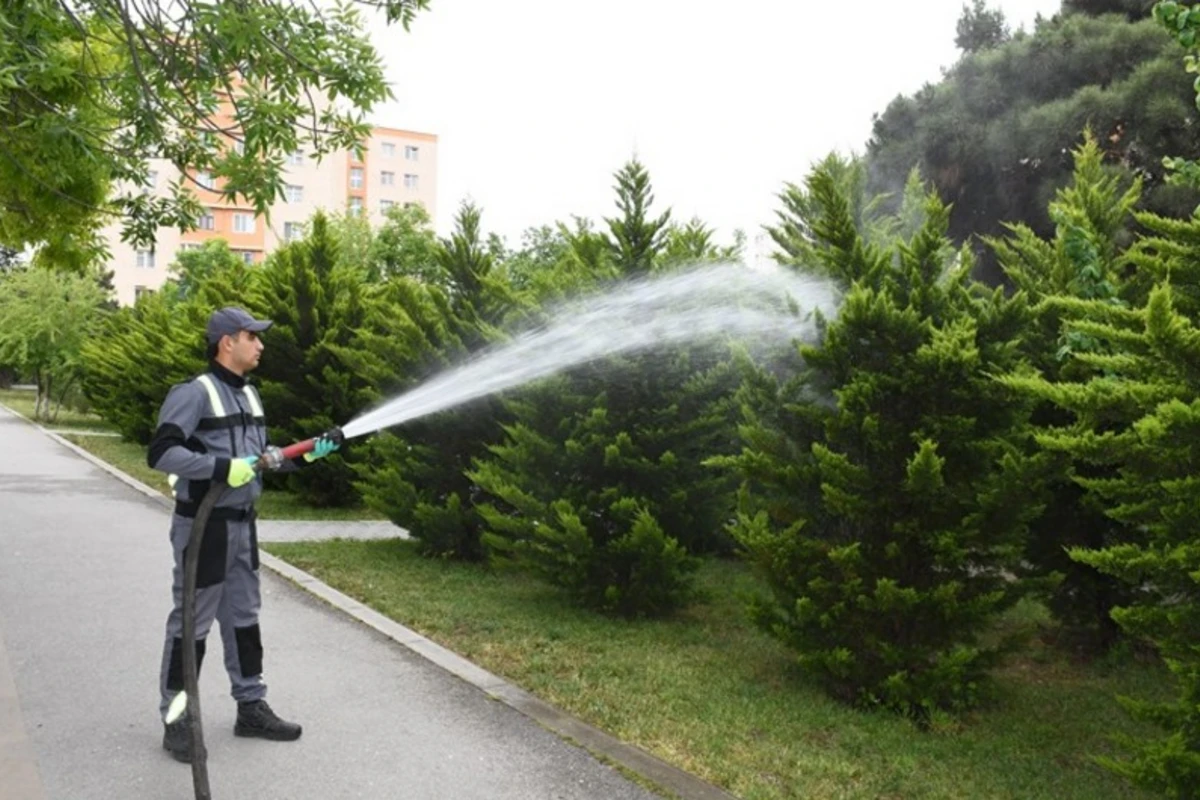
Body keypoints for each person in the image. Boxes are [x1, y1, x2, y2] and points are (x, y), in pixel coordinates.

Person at [146, 306, 340, 763]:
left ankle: (250, 707)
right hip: (203, 528)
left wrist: (309, 455)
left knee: (244, 619)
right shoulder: (193, 394)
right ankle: (177, 719)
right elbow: (161, 453)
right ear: (226, 342)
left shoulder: (251, 397)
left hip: (242, 528)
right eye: (252, 337)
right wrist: (219, 468)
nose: (261, 345)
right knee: (191, 624)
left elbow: (261, 461)